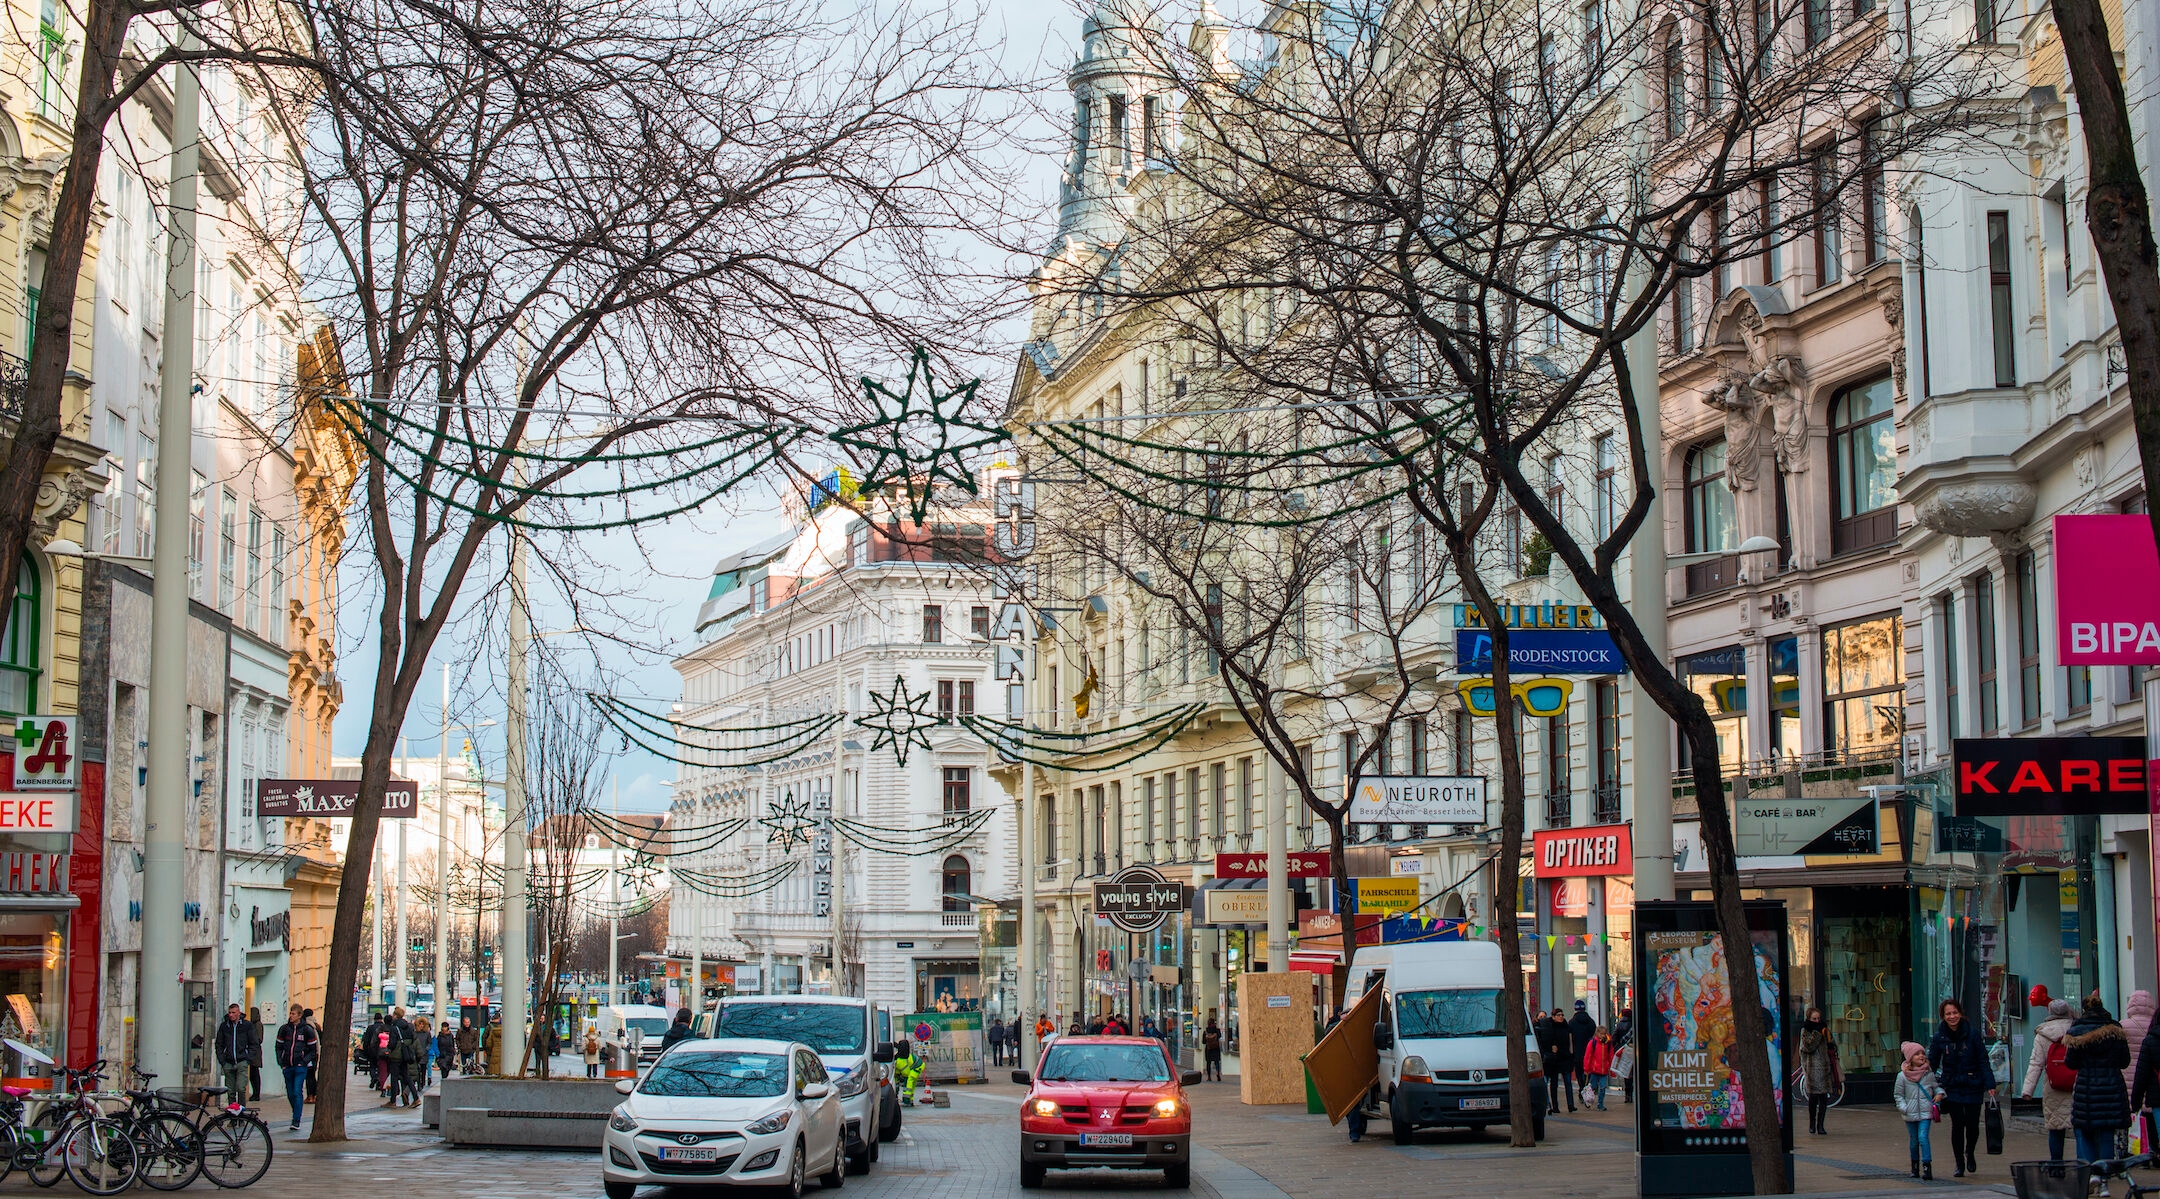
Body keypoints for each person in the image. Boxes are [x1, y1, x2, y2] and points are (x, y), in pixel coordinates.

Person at [2065, 992, 2132, 1190]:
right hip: (2112, 1086)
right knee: (2106, 1131)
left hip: (2086, 1087)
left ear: (2085, 1009)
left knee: (2085, 1130)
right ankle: (2104, 1179)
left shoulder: (2077, 1030)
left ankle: (2090, 1171)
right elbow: (2125, 1061)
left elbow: (2070, 1062)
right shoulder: (2115, 1030)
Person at [1928, 997, 1998, 1178]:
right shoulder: (1939, 1037)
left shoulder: (1972, 1034)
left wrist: (1990, 1083)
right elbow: (1932, 1063)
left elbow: (1983, 1059)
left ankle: (1970, 1153)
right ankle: (1959, 1162)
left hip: (1973, 1084)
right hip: (1952, 1086)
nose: (1952, 1017)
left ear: (1960, 1013)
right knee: (1957, 1125)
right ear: (1943, 1016)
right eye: (1948, 1014)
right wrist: (1925, 1083)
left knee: (1973, 1125)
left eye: (1955, 1013)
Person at [2021, 997, 2079, 1161]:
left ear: (2049, 1012)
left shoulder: (2043, 1034)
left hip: (2054, 1087)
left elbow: (2036, 1063)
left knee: (2055, 1128)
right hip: (2078, 1085)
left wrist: (2027, 1091)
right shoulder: (2078, 1029)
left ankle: (2056, 1165)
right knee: (2081, 1128)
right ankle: (2083, 1165)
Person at [1896, 1041, 1945, 1179]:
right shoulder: (1902, 1076)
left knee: (1923, 1138)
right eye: (1917, 1054)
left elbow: (1935, 1086)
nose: (1921, 1056)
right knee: (1914, 1141)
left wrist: (1939, 1093)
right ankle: (1914, 1167)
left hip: (1925, 1112)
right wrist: (1903, 1108)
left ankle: (1927, 1167)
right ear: (1910, 1057)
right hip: (1909, 1113)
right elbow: (1898, 1095)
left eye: (1923, 1053)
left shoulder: (1928, 1074)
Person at [274, 1004, 319, 1132]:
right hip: (287, 1065)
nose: (291, 1016)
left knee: (297, 1090)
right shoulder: (284, 1029)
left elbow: (312, 1049)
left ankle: (296, 1119)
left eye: (294, 1014)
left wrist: (304, 1062)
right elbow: (278, 1046)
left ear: (300, 1015)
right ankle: (296, 1110)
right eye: (290, 1013)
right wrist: (281, 1061)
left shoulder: (307, 1030)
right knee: (290, 1093)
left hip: (300, 1066)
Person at [1799, 1007, 1841, 1135]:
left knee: (1823, 1098)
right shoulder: (1805, 1030)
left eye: (1818, 1018)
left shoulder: (1824, 1029)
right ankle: (1812, 1124)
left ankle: (1820, 1125)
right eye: (1814, 1019)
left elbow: (1832, 1044)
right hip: (1812, 1068)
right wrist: (1817, 1034)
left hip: (1825, 1068)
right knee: (1813, 1097)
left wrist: (1830, 1043)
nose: (1817, 1021)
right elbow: (1808, 1047)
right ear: (1809, 1018)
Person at [214, 1003, 258, 1103]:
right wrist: (222, 1060)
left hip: (242, 1061)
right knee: (230, 1091)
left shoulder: (247, 1025)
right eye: (229, 1012)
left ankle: (241, 1112)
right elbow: (219, 1044)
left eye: (233, 1012)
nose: (231, 1015)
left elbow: (254, 1043)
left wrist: (248, 1059)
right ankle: (232, 1113)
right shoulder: (224, 1026)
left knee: (241, 1088)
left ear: (238, 1013)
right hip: (228, 1062)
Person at [1537, 1010, 1576, 1114]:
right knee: (1554, 1084)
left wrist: (1571, 1055)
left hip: (1566, 1058)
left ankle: (1571, 1105)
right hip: (1555, 1060)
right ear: (1553, 1017)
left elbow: (1570, 1041)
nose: (1561, 1017)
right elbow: (1546, 1041)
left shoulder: (1566, 1027)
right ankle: (1555, 1106)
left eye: (1562, 1015)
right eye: (1558, 1015)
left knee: (1568, 1082)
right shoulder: (1549, 1027)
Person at [1581, 1026, 1614, 1111]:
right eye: (1601, 1034)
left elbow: (1611, 1056)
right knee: (1592, 1087)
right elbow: (1587, 1056)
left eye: (1604, 1034)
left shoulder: (1608, 1044)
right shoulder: (1593, 1043)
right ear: (1597, 1033)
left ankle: (1600, 1104)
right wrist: (1586, 1068)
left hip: (1604, 1070)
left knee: (1602, 1087)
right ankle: (1588, 1100)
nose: (1603, 1036)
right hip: (1594, 1070)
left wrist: (1612, 1068)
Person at [1612, 1007, 1635, 1103]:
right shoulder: (1634, 1024)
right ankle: (1632, 1093)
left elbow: (1614, 1038)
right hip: (1633, 1050)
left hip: (1624, 1051)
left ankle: (1627, 1095)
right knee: (1633, 1071)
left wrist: (1615, 1048)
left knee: (1627, 1073)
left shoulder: (1619, 1025)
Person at [894, 1041, 924, 1106]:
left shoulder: (900, 1061)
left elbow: (906, 1074)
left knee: (909, 1082)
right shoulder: (902, 1058)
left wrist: (895, 1092)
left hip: (917, 1067)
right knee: (910, 1084)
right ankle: (910, 1100)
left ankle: (907, 1100)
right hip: (916, 1066)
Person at [248, 1006, 265, 1102]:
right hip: (253, 1051)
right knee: (253, 1073)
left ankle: (256, 1093)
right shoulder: (252, 1024)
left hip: (255, 1052)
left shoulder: (258, 1024)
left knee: (254, 1073)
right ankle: (255, 1093)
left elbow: (259, 1039)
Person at [1203, 1017, 1224, 1082]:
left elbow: (1203, 1042)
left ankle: (1209, 1077)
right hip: (1215, 1048)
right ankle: (1218, 1073)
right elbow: (1220, 1036)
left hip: (1208, 1049)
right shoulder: (1217, 1030)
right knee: (1216, 1062)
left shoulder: (1206, 1031)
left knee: (1208, 1063)